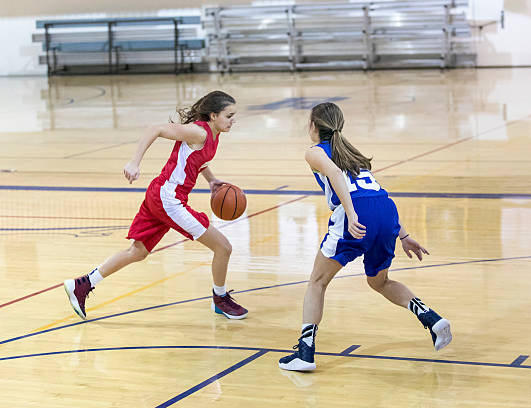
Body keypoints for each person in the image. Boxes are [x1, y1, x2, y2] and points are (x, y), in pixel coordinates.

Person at [278, 102, 452, 371]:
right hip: (386, 213)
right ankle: (431, 318)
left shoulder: (314, 152)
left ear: (314, 126)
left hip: (355, 215)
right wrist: (403, 234)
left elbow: (335, 174)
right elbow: (375, 196)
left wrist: (350, 212)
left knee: (317, 282)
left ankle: (305, 353)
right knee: (380, 282)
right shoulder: (352, 153)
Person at [63, 91, 248, 321]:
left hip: (160, 194)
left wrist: (211, 179)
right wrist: (134, 161)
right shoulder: (198, 131)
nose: (233, 120)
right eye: (229, 115)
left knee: (137, 251)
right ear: (213, 115)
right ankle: (219, 299)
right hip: (169, 200)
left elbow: (198, 160)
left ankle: (82, 285)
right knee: (224, 248)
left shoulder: (213, 133)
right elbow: (155, 129)